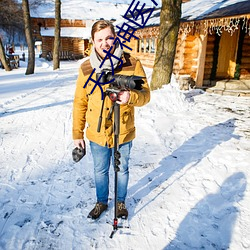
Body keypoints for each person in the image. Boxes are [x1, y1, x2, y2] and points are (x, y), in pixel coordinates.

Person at [72, 20, 150, 220]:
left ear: (115, 37)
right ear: (93, 41)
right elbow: (80, 102)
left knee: (122, 168)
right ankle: (101, 202)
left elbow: (146, 95)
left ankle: (121, 202)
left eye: (108, 37)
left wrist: (130, 97)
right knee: (100, 170)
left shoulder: (131, 63)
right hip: (97, 133)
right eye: (100, 39)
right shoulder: (86, 68)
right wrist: (77, 134)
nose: (105, 43)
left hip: (123, 130)